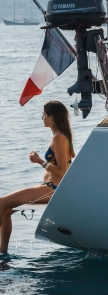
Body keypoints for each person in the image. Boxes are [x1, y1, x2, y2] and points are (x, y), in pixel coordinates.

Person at [0, 101, 74, 254]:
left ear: (51, 118)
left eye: (44, 114)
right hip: (50, 187)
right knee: (6, 210)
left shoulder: (59, 138)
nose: (42, 118)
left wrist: (39, 161)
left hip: (52, 189)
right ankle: (3, 252)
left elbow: (61, 171)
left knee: (1, 203)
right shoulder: (60, 136)